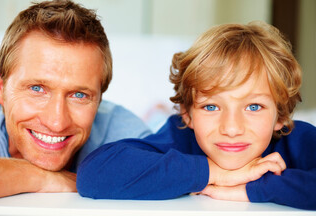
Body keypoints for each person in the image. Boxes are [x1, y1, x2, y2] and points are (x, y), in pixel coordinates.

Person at [77, 21, 316, 210]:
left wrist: (254, 189)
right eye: (211, 107)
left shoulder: (299, 140)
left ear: (281, 116)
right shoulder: (180, 137)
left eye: (253, 107)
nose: (231, 129)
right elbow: (94, 174)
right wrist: (216, 173)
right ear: (187, 114)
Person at [0, 0, 151, 208]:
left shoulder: (120, 132)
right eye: (37, 88)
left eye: (79, 95)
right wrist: (40, 177)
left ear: (100, 99)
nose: (57, 122)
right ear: (1, 89)